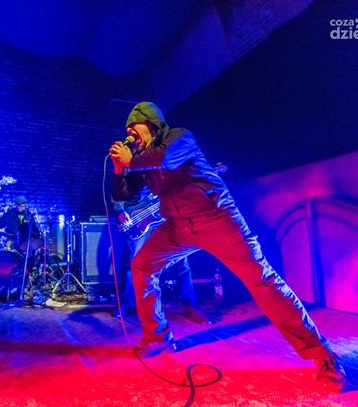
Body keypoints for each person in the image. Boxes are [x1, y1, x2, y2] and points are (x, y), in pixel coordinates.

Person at [109, 101, 346, 390]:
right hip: (178, 226)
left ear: (151, 123)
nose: (130, 133)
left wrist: (132, 161)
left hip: (217, 219)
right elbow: (126, 196)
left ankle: (323, 354)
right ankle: (157, 337)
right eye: (127, 130)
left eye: (134, 126)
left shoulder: (178, 137)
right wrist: (120, 170)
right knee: (142, 265)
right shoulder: (142, 161)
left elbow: (166, 159)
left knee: (263, 281)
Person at [114, 188, 211, 324]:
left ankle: (190, 306)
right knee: (133, 264)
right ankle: (126, 304)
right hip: (136, 215)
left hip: (164, 212)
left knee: (181, 263)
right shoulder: (127, 174)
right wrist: (120, 212)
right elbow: (116, 191)